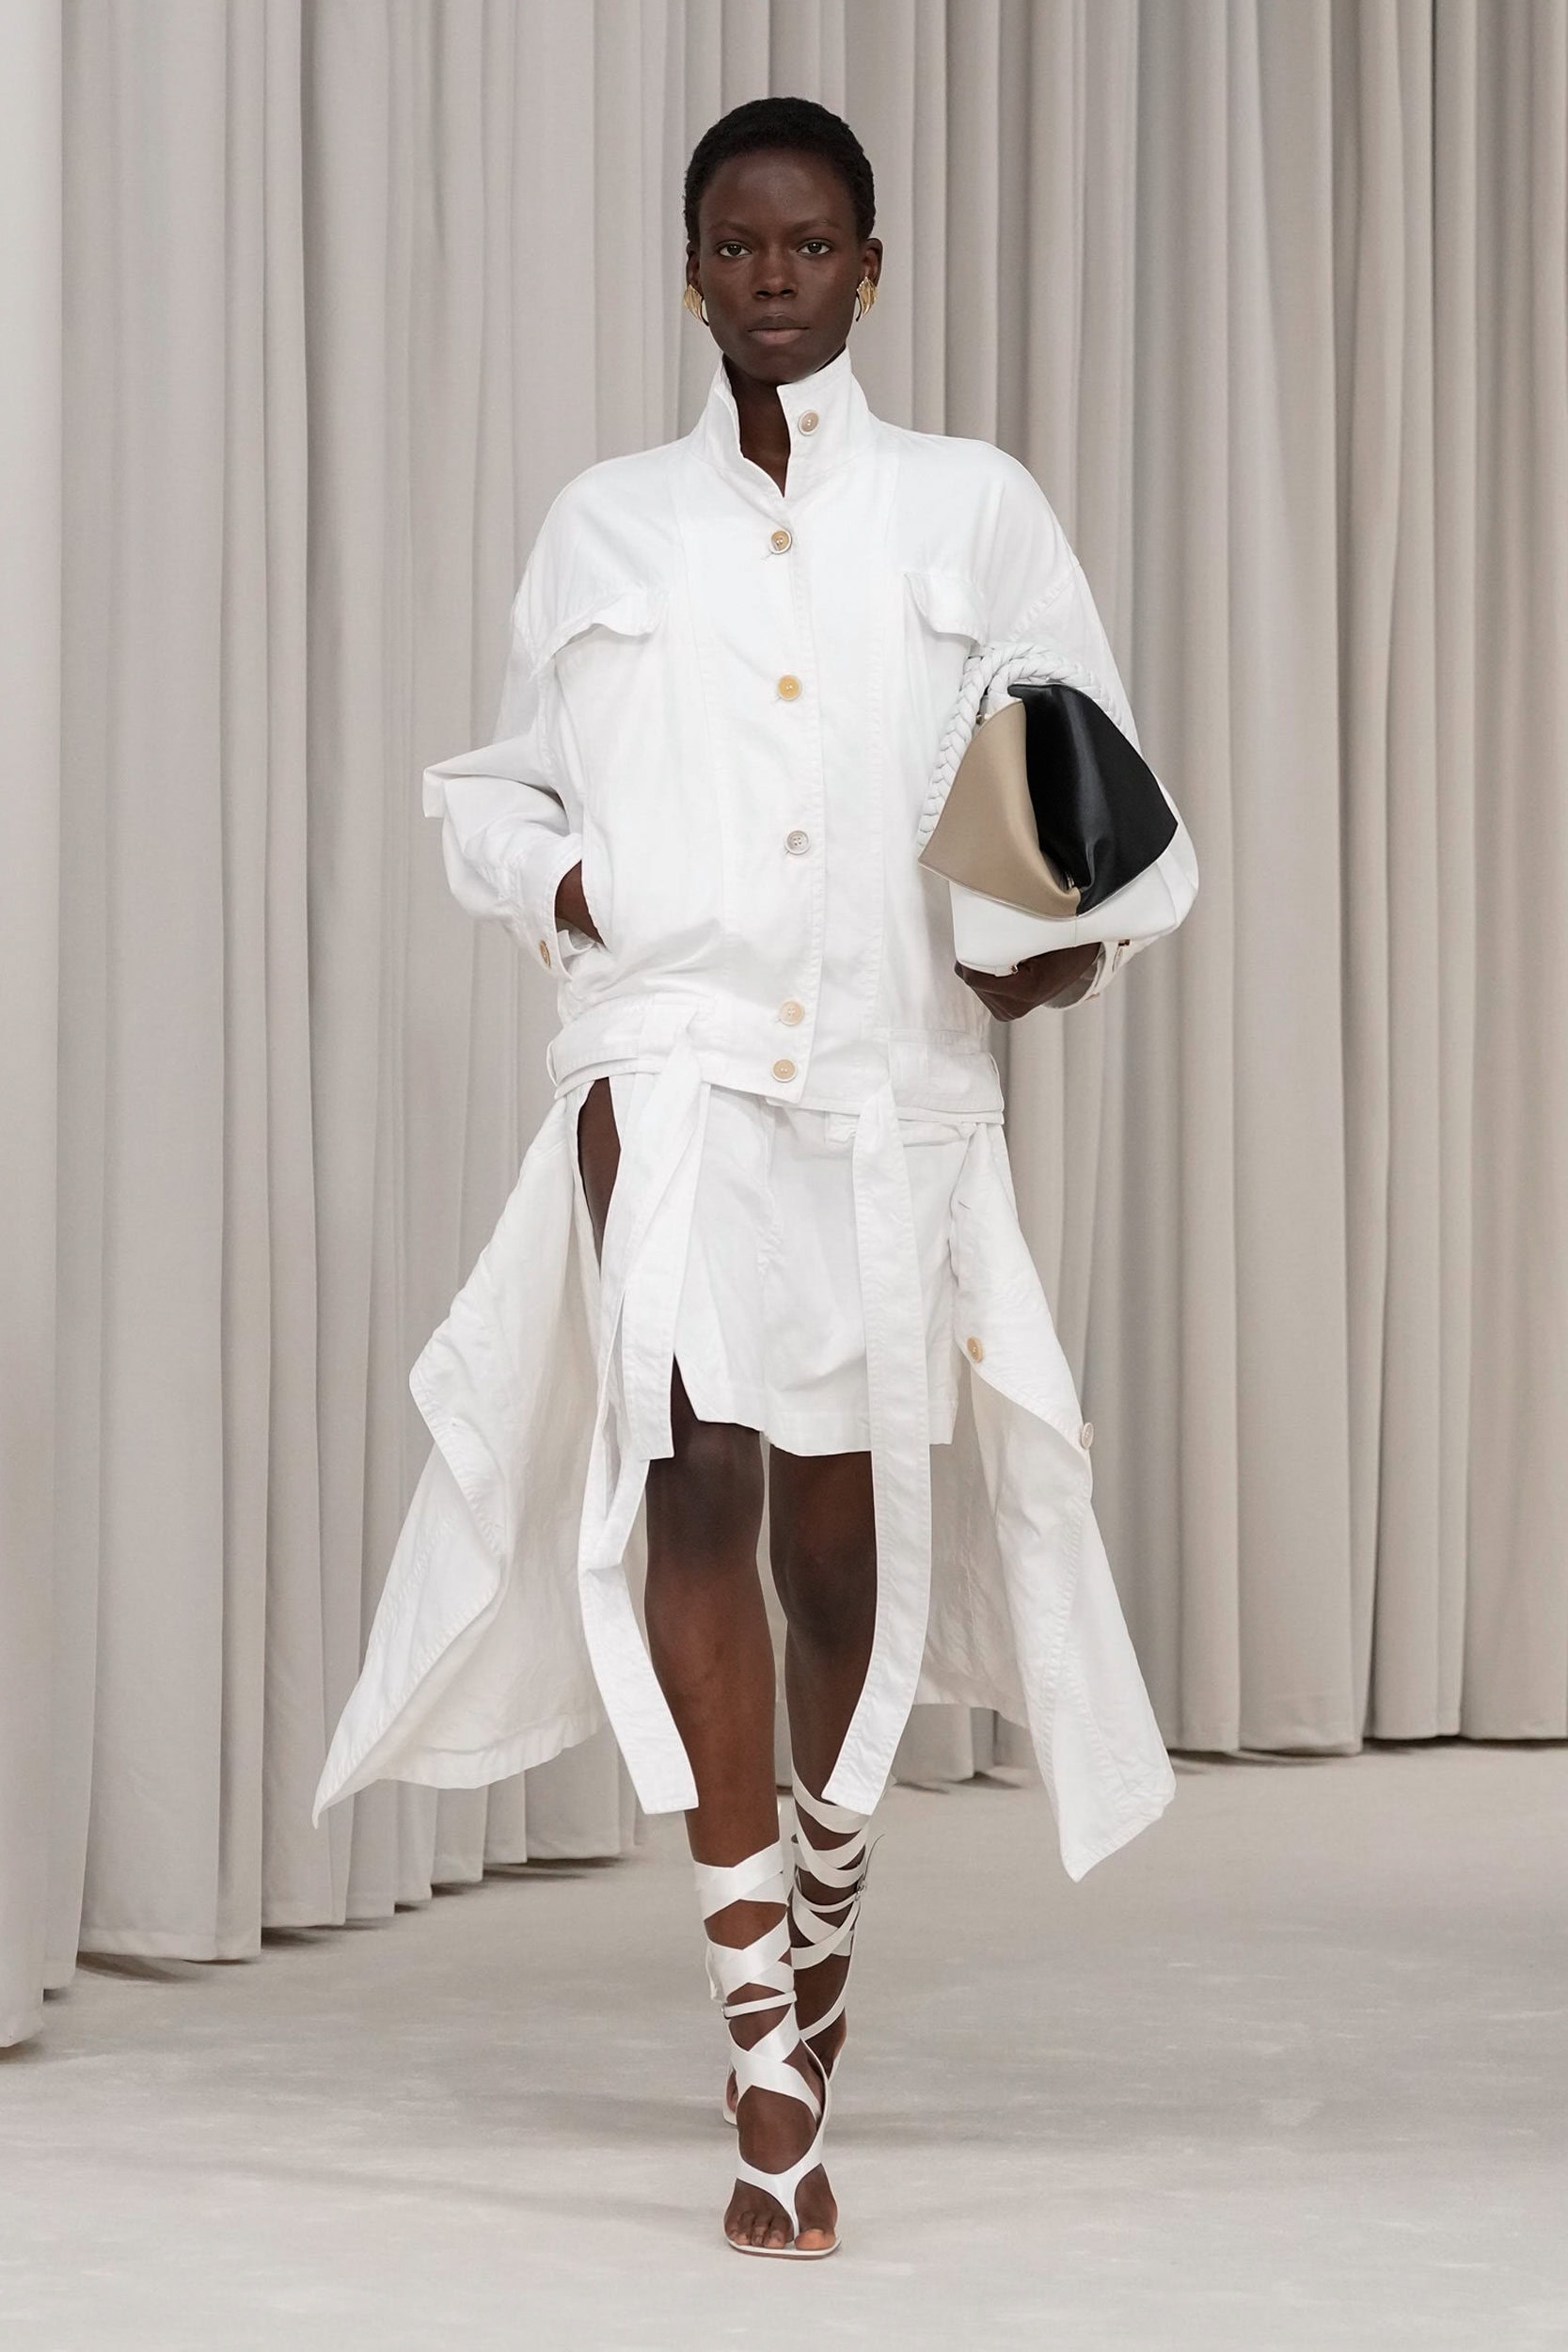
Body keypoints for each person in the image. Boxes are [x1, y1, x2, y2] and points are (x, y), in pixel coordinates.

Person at [312, 94, 1176, 2260]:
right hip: (671, 1064)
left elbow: (1089, 786)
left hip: (893, 1081)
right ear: (689, 268)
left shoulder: (975, 509)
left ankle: (827, 1894)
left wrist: (1061, 942)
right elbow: (496, 787)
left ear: (869, 267)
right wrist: (579, 886)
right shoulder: (606, 525)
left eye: (806, 245)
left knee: (841, 1537)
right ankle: (762, 2044)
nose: (769, 277)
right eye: (733, 243)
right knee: (685, 1475)